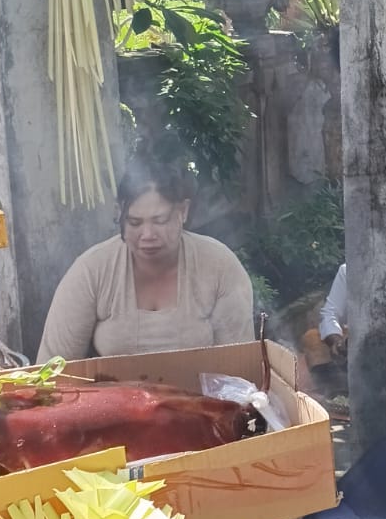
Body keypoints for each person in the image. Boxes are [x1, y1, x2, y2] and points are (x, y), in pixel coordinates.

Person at [37, 147, 255, 362]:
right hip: (114, 396)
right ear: (119, 215)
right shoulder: (91, 271)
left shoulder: (219, 266)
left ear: (183, 212)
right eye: (134, 223)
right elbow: (53, 370)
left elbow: (239, 367)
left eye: (160, 221)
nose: (148, 235)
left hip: (201, 396)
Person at [300, 264, 348, 372]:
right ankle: (333, 387)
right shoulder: (348, 270)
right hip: (357, 342)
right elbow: (330, 313)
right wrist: (337, 342)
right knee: (311, 338)